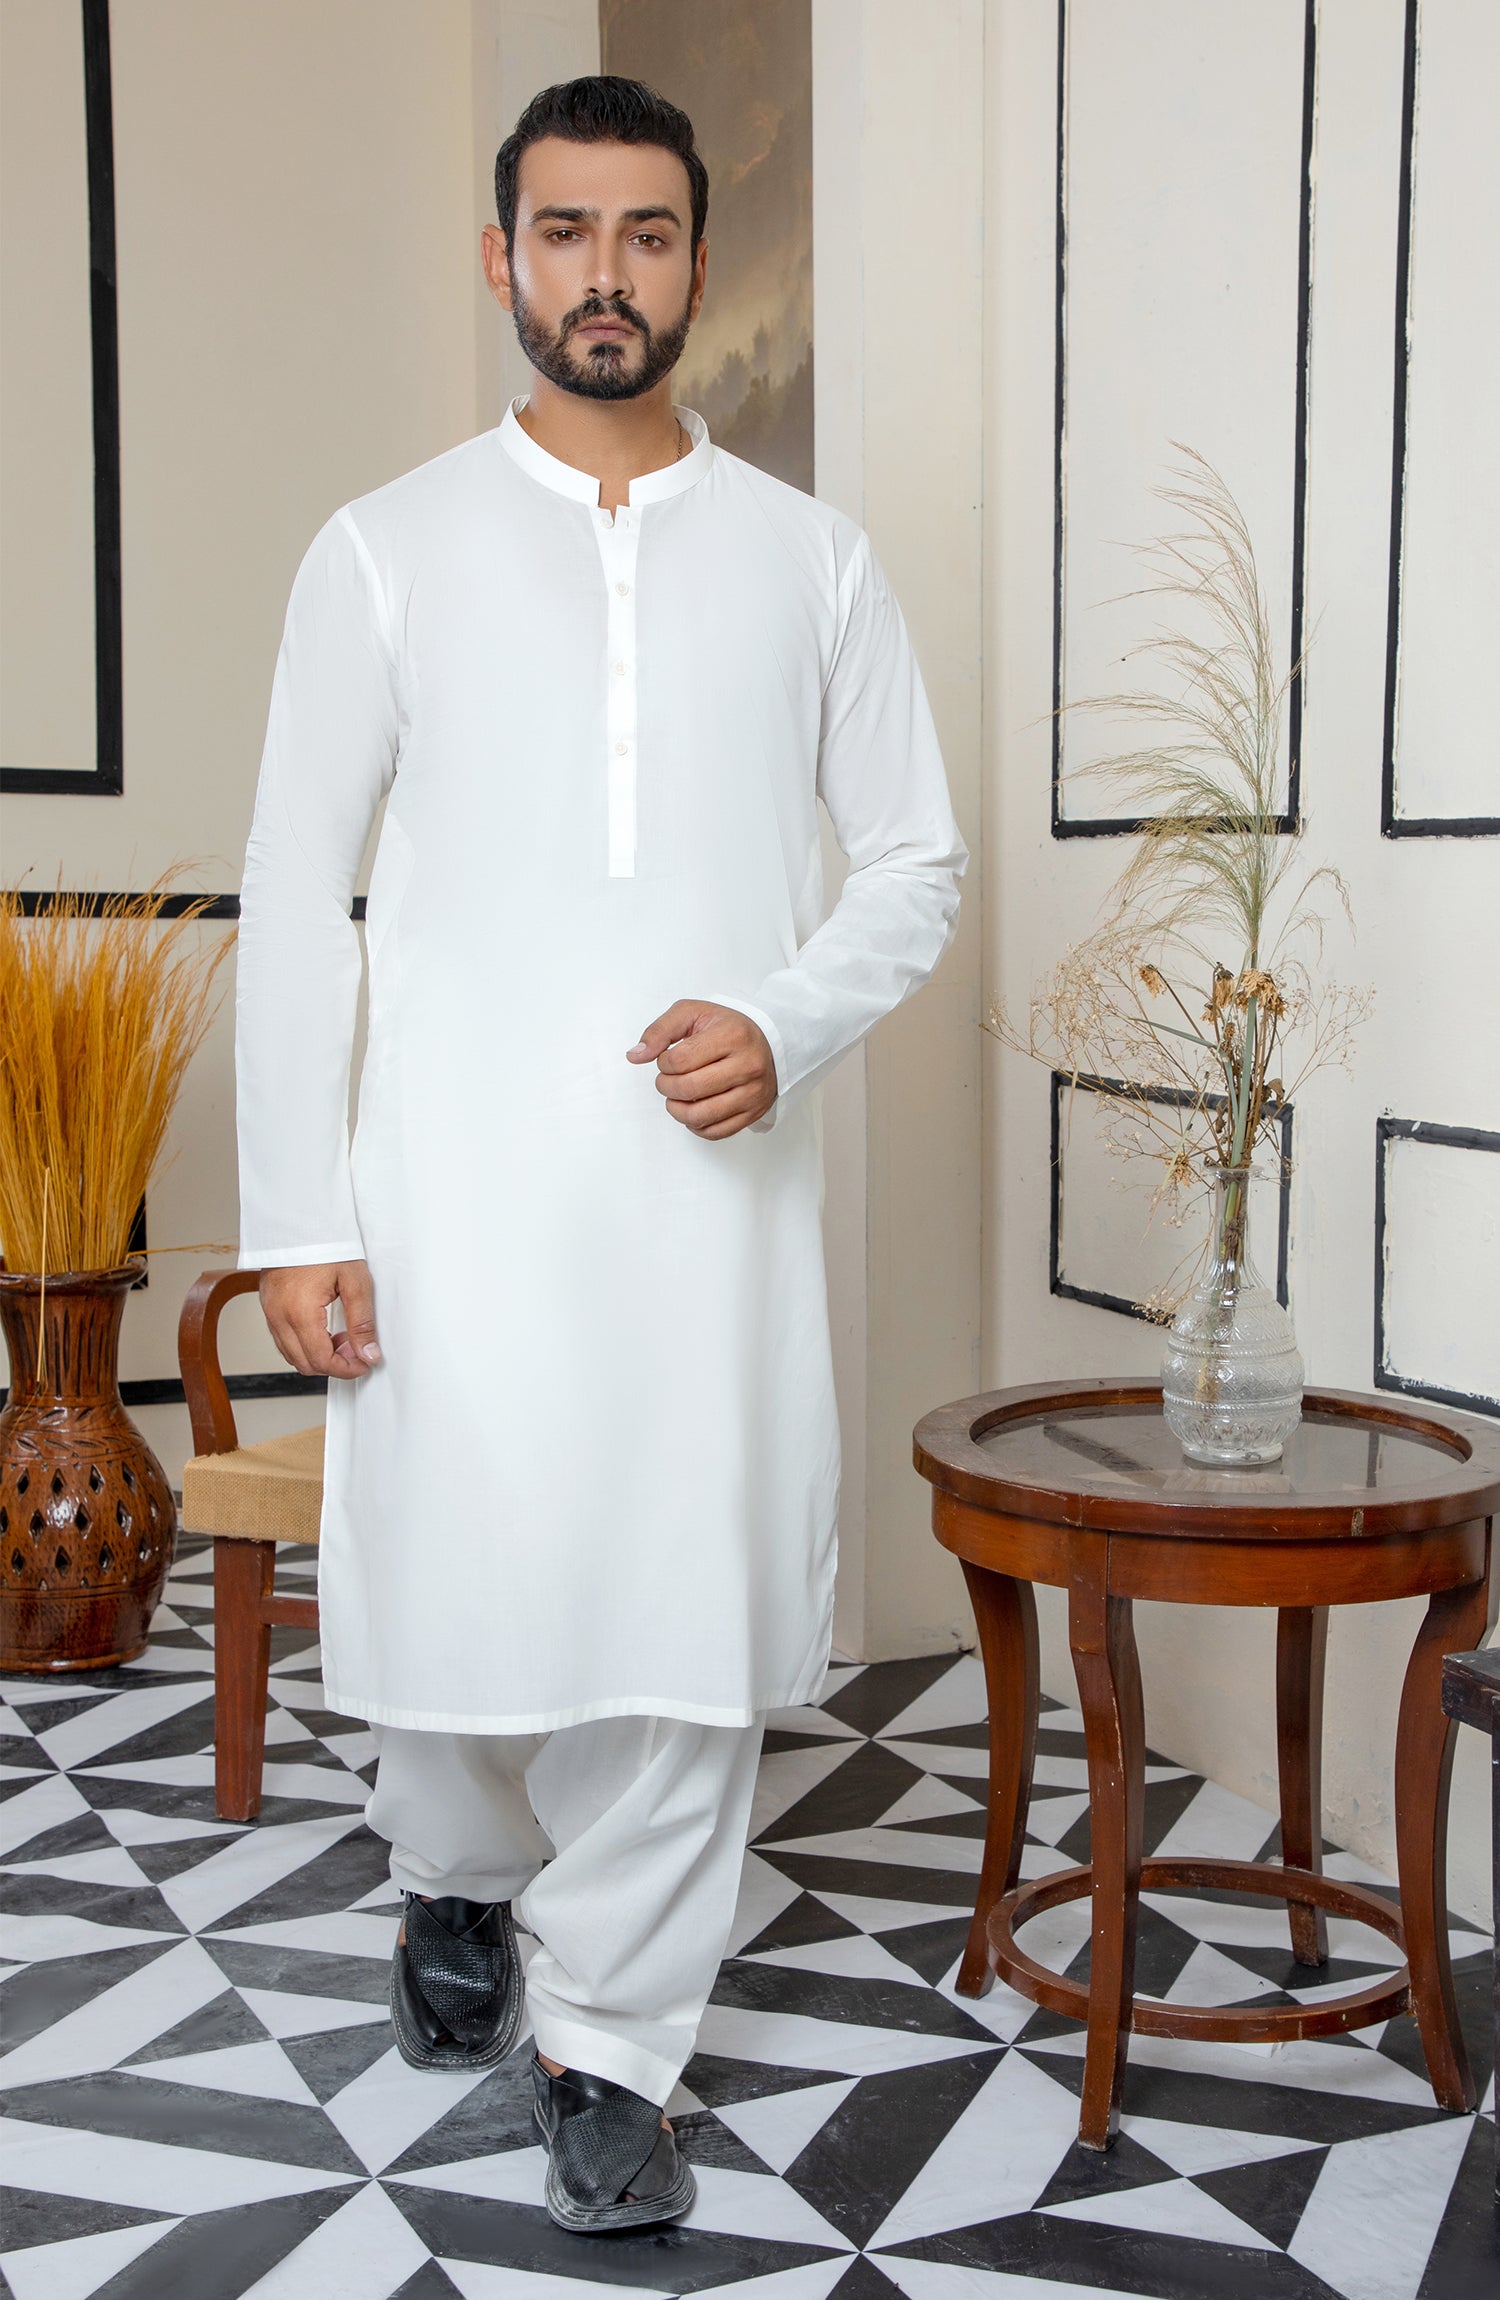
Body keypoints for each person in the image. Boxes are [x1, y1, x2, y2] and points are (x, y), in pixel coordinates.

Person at [235, 74, 965, 2234]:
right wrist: (298, 1215)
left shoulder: (814, 561)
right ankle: (455, 1868)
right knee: (461, 1566)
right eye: (565, 232)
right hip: (448, 1184)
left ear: (695, 263)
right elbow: (293, 890)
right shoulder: (383, 549)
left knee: (678, 1588)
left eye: (647, 233)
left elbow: (913, 862)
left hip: (703, 1194)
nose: (606, 274)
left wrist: (786, 1020)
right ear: (504, 260)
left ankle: (610, 2044)